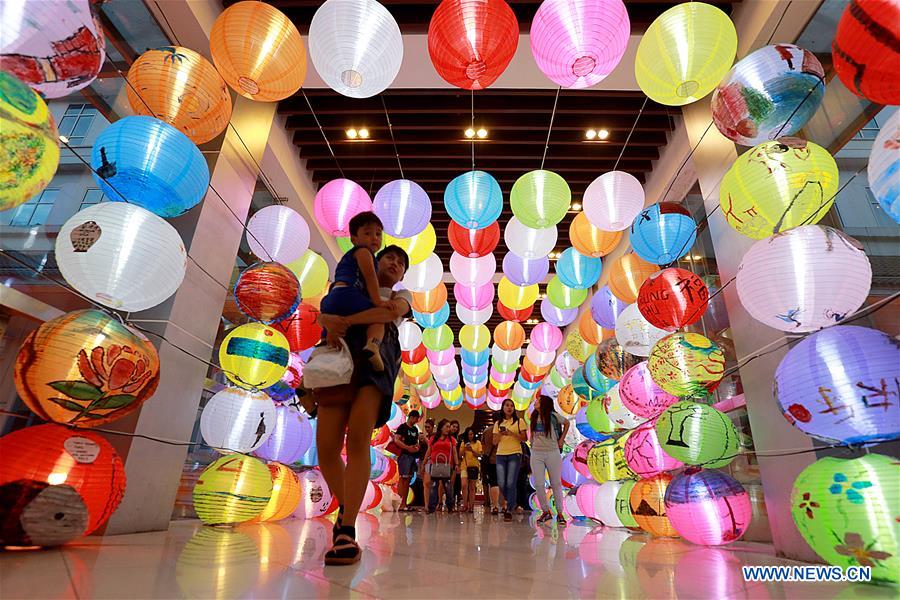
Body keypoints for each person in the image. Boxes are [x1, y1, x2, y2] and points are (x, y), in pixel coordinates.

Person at [314, 245, 411, 566]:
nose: (395, 263)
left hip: (376, 354)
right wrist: (327, 318)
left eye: (400, 262)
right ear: (373, 262)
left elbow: (388, 313)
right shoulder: (348, 286)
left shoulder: (403, 293)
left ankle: (347, 529)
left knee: (358, 438)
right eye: (389, 258)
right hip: (336, 349)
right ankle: (347, 510)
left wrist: (340, 319)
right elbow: (321, 314)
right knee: (326, 445)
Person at [318, 211, 390, 370]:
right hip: (348, 294)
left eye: (378, 234)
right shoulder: (363, 252)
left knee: (329, 338)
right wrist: (377, 301)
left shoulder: (350, 257)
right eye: (368, 233)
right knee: (379, 317)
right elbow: (370, 276)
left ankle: (314, 365)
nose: (374, 238)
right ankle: (373, 346)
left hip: (333, 298)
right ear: (353, 239)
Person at [529, 395, 570, 526]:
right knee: (539, 484)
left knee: (556, 483)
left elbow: (567, 423)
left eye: (538, 401)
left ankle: (559, 513)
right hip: (536, 453)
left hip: (552, 452)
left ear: (544, 404)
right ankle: (545, 511)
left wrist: (561, 439)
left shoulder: (553, 416)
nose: (535, 402)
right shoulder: (534, 416)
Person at [492, 399, 527, 522]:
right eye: (507, 405)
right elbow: (494, 442)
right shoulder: (497, 423)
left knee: (510, 482)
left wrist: (511, 433)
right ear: (502, 407)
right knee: (501, 483)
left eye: (512, 405)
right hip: (500, 454)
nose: (509, 408)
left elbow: (524, 438)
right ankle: (513, 502)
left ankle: (509, 509)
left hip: (515, 454)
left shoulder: (519, 421)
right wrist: (501, 434)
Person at [424, 419, 458, 514]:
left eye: (449, 426)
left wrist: (457, 464)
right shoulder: (434, 438)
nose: (448, 429)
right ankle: (431, 507)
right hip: (435, 465)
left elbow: (455, 453)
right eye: (446, 426)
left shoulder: (452, 439)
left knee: (447, 486)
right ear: (441, 427)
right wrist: (424, 462)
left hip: (448, 465)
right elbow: (429, 451)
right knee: (434, 485)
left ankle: (450, 506)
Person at [393, 409, 421, 512]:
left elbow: (416, 441)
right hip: (404, 456)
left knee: (408, 479)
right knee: (403, 479)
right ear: (411, 417)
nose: (416, 421)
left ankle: (404, 503)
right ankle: (400, 503)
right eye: (415, 419)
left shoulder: (415, 429)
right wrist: (407, 447)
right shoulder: (402, 427)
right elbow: (396, 440)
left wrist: (416, 447)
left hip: (413, 456)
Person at [458, 427, 482, 512]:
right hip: (464, 466)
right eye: (468, 434)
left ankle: (471, 506)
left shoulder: (478, 443)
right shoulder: (463, 443)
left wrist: (471, 450)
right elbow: (460, 454)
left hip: (474, 466)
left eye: (471, 434)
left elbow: (479, 454)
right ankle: (465, 504)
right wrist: (464, 448)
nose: (470, 436)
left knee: (472, 487)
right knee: (464, 485)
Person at [481, 425, 501, 514]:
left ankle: (495, 505)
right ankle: (504, 506)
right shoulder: (503, 430)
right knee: (502, 483)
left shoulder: (487, 430)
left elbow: (483, 445)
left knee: (493, 482)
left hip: (489, 459)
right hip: (501, 459)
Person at [446, 419, 461, 511]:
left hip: (454, 463)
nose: (454, 428)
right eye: (453, 426)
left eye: (456, 427)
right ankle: (440, 502)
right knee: (442, 483)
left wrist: (457, 463)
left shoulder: (457, 439)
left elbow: (457, 453)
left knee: (452, 484)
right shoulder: (445, 437)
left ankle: (451, 503)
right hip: (444, 462)